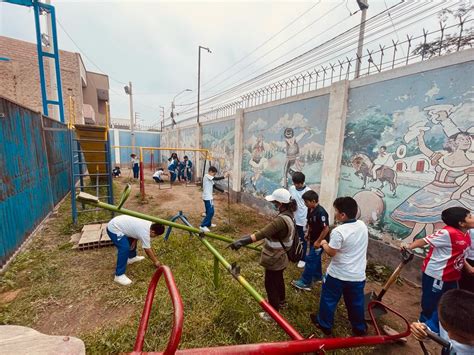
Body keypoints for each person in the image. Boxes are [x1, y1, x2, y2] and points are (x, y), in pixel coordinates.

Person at [391, 130, 474, 243]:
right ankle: (425, 239)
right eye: (462, 139)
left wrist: (459, 192)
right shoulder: (442, 157)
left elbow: (471, 180)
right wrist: (420, 136)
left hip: (449, 191)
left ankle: (413, 237)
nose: (466, 141)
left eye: (468, 140)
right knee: (424, 215)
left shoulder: (470, 163)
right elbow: (424, 149)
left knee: (427, 215)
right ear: (454, 142)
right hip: (431, 188)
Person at [228, 188, 296, 321]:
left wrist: (241, 242)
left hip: (275, 257)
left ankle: (272, 313)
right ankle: (282, 301)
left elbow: (261, 234)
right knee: (278, 279)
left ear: (281, 204)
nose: (273, 204)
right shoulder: (289, 215)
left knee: (270, 284)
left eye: (275, 202)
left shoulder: (280, 221)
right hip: (282, 257)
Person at [404, 207, 473, 334]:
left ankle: (436, 327)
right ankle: (422, 329)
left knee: (449, 301)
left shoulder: (466, 233)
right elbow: (424, 241)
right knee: (430, 304)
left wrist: (468, 268)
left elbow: (462, 254)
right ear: (461, 223)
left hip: (452, 275)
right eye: (469, 217)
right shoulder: (447, 233)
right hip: (437, 275)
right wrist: (408, 247)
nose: (473, 218)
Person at [310, 196, 368, 336]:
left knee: (329, 299)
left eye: (336, 211)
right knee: (356, 302)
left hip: (338, 275)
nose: (335, 214)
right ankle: (359, 328)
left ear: (343, 215)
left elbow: (331, 252)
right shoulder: (362, 225)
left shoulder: (339, 231)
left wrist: (324, 243)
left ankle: (324, 324)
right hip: (357, 276)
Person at [410, 289, 474, 355]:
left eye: (462, 337)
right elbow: (434, 324)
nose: (450, 336)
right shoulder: (447, 313)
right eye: (445, 329)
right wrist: (422, 329)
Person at [106, 215, 165, 286]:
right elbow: (147, 250)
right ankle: (119, 275)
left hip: (120, 223)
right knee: (124, 248)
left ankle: (131, 257)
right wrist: (156, 261)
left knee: (131, 240)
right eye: (156, 235)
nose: (155, 237)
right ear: (152, 231)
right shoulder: (145, 233)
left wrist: (134, 239)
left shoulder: (148, 223)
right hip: (114, 228)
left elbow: (135, 230)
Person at [291, 190, 329, 291]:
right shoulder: (310, 209)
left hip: (320, 241)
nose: (304, 204)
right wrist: (308, 232)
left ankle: (305, 282)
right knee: (315, 258)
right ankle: (317, 276)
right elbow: (310, 223)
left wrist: (318, 241)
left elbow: (326, 229)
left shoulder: (321, 212)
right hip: (313, 239)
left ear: (313, 201)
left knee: (310, 259)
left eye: (306, 202)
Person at [288, 172, 311, 268]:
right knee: (292, 236)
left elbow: (310, 207)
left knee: (303, 239)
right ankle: (292, 253)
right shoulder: (292, 188)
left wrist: (308, 222)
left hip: (302, 220)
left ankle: (303, 258)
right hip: (293, 218)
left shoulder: (308, 191)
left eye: (298, 183)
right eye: (295, 183)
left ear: (302, 182)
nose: (296, 185)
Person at [199, 166, 228, 233]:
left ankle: (208, 224)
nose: (214, 175)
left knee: (208, 211)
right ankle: (203, 226)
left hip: (208, 197)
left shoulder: (210, 178)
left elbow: (215, 186)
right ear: (210, 172)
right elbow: (216, 178)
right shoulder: (206, 176)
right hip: (208, 197)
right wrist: (224, 176)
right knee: (211, 212)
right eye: (213, 173)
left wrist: (223, 191)